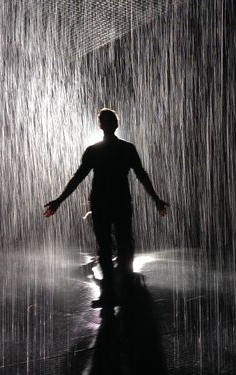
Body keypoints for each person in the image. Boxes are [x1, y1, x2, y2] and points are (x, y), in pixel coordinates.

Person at [44, 108, 168, 314]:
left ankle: (110, 294)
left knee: (105, 247)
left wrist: (59, 200)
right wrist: (156, 199)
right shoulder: (127, 149)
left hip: (102, 203)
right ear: (115, 125)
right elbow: (141, 175)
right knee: (124, 243)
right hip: (120, 202)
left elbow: (77, 178)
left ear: (101, 125)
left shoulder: (94, 151)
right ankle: (125, 290)